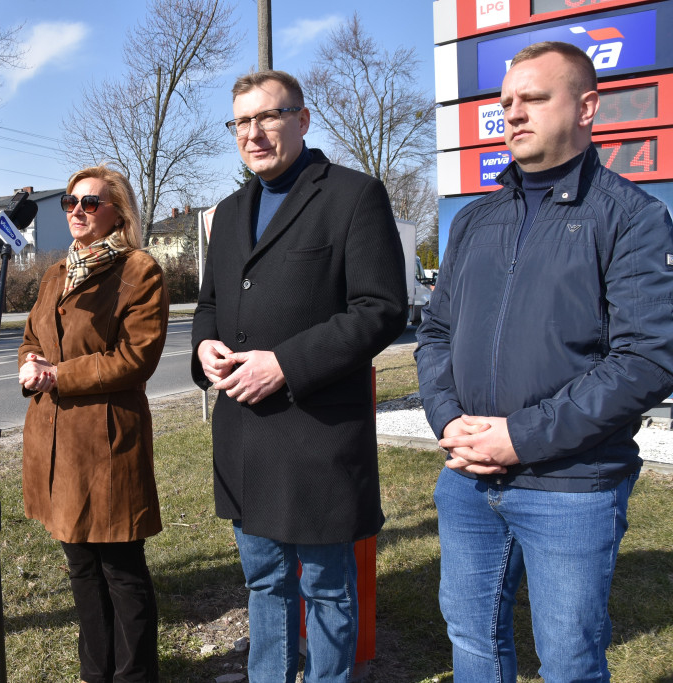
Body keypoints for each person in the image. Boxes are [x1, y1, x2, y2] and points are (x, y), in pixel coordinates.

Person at [416, 41, 673, 682]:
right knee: (472, 642)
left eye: (534, 98)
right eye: (507, 102)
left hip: (572, 486)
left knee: (568, 662)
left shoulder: (631, 218)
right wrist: (448, 422)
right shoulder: (475, 220)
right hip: (468, 478)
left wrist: (520, 437)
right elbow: (436, 334)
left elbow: (648, 356)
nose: (514, 114)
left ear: (587, 107)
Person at [191, 70, 408, 682]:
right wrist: (203, 346)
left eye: (268, 117)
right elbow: (209, 303)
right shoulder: (230, 213)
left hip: (315, 433)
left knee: (327, 589)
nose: (253, 133)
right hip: (244, 437)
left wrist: (285, 364)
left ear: (303, 119)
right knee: (263, 582)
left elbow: (381, 309)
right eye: (240, 122)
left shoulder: (352, 196)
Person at [17, 165, 169, 683]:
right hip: (56, 442)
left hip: (106, 442)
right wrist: (30, 363)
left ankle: (134, 676)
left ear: (117, 213)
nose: (77, 211)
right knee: (81, 567)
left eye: (90, 203)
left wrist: (59, 374)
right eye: (70, 203)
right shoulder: (56, 273)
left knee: (121, 572)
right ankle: (94, 673)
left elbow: (136, 358)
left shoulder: (139, 271)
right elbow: (33, 335)